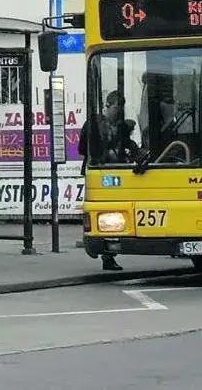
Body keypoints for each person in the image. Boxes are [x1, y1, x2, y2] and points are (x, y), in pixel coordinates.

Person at [78, 90, 127, 271]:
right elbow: (83, 148)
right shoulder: (94, 123)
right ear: (107, 105)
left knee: (115, 215)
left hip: (119, 172)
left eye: (121, 108)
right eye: (116, 107)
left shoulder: (121, 127)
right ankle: (100, 248)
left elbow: (126, 145)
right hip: (100, 170)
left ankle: (108, 254)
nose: (119, 111)